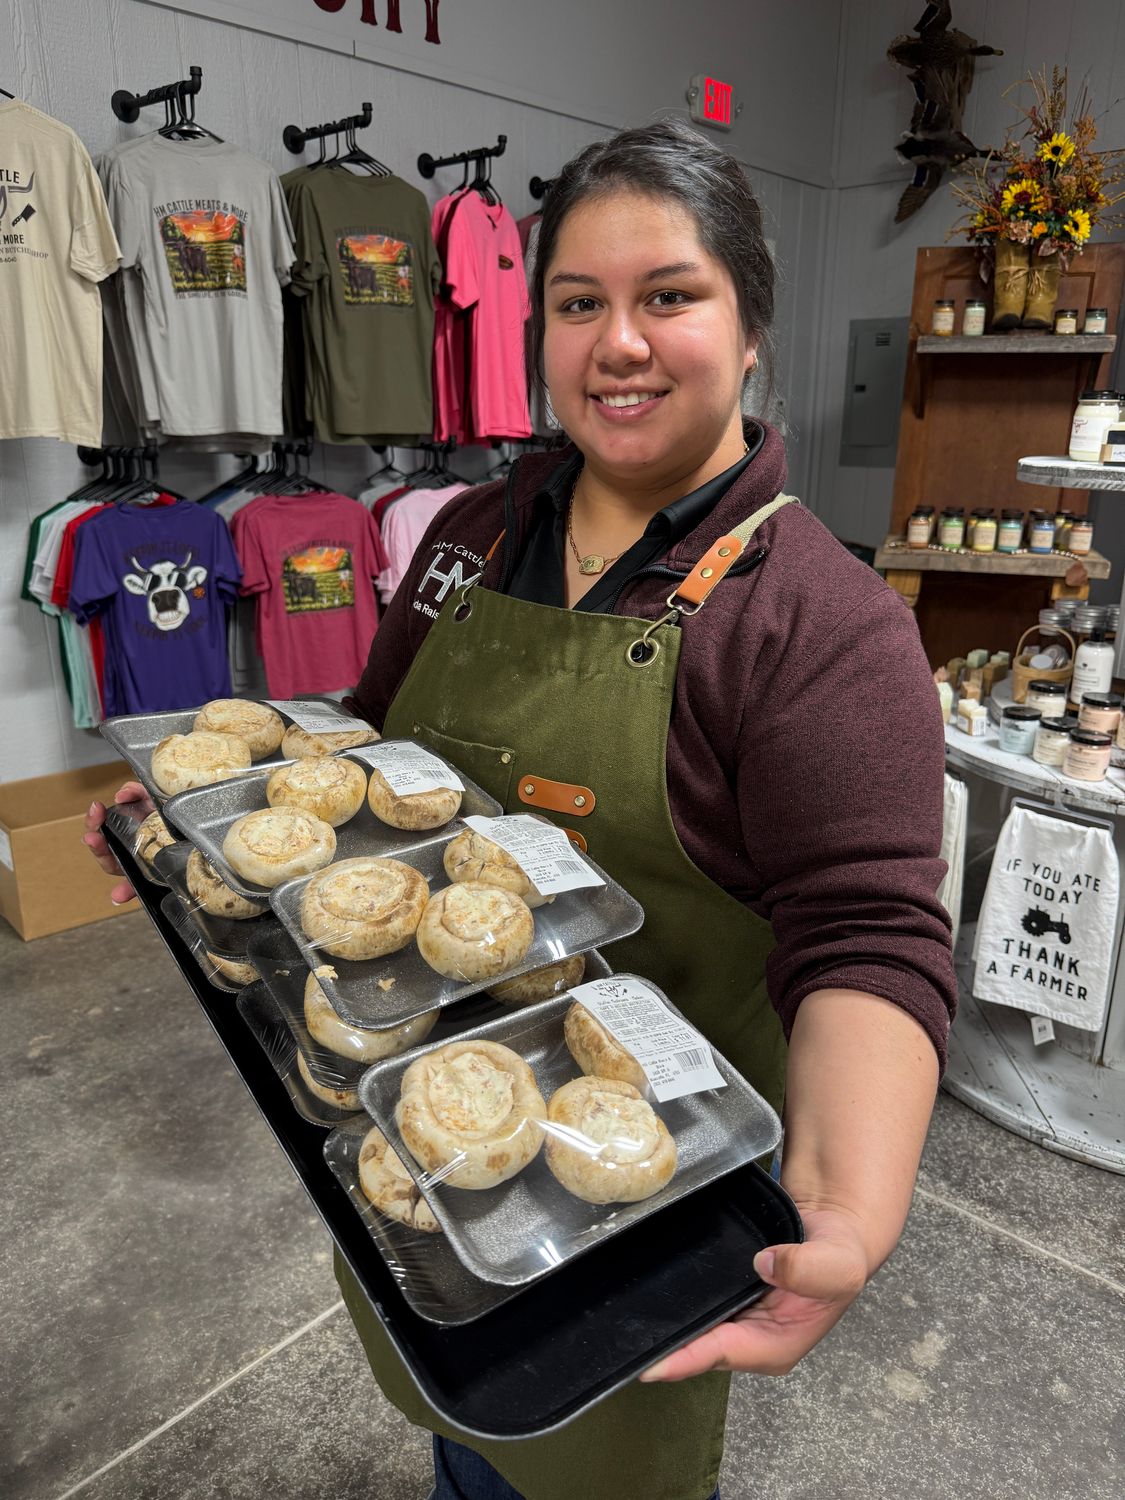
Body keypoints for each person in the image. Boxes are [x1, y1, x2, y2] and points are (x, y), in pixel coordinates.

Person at [86, 120, 956, 1500]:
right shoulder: (467, 537)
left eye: (669, 296)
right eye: (576, 303)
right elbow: (369, 755)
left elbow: (865, 935)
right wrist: (206, 809)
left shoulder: (816, 625)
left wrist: (846, 1205)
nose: (618, 343)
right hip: (432, 1119)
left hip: (634, 1197)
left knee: (585, 1465)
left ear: (748, 329)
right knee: (460, 1437)